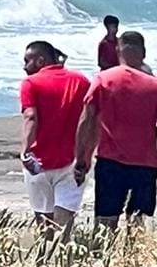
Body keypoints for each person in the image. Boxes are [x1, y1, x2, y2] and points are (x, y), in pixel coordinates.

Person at [75, 29, 157, 227]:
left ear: (118, 51)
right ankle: (134, 258)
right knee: (138, 226)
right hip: (145, 164)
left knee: (105, 223)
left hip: (110, 162)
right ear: (143, 53)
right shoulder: (154, 86)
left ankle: (104, 258)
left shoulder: (104, 80)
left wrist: (81, 159)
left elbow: (87, 121)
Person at [18, 42, 90, 235]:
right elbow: (90, 119)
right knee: (65, 219)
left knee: (44, 220)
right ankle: (64, 258)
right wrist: (86, 155)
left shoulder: (31, 83)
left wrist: (25, 150)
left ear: (41, 60)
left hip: (38, 160)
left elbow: (31, 117)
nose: (24, 67)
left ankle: (45, 258)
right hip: (72, 159)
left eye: (27, 61)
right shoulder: (81, 81)